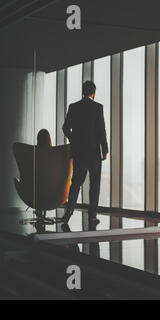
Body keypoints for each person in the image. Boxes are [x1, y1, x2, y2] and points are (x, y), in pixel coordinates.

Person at [61, 80, 108, 226]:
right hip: (94, 153)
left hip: (79, 152)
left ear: (83, 91)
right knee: (94, 185)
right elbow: (101, 131)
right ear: (93, 93)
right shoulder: (98, 107)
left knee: (76, 183)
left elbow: (65, 128)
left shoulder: (73, 107)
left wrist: (74, 140)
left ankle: (68, 213)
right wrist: (104, 150)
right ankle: (92, 217)